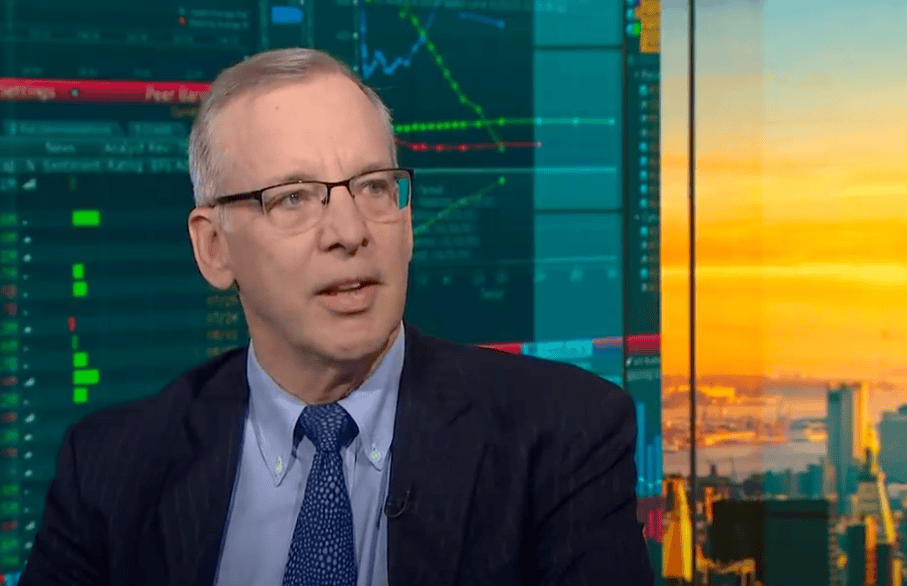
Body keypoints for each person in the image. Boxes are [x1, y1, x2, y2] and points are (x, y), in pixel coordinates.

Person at [21, 48, 654, 586]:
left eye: (374, 186)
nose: (350, 232)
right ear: (213, 248)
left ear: (407, 220)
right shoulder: (109, 470)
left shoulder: (563, 436)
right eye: (294, 198)